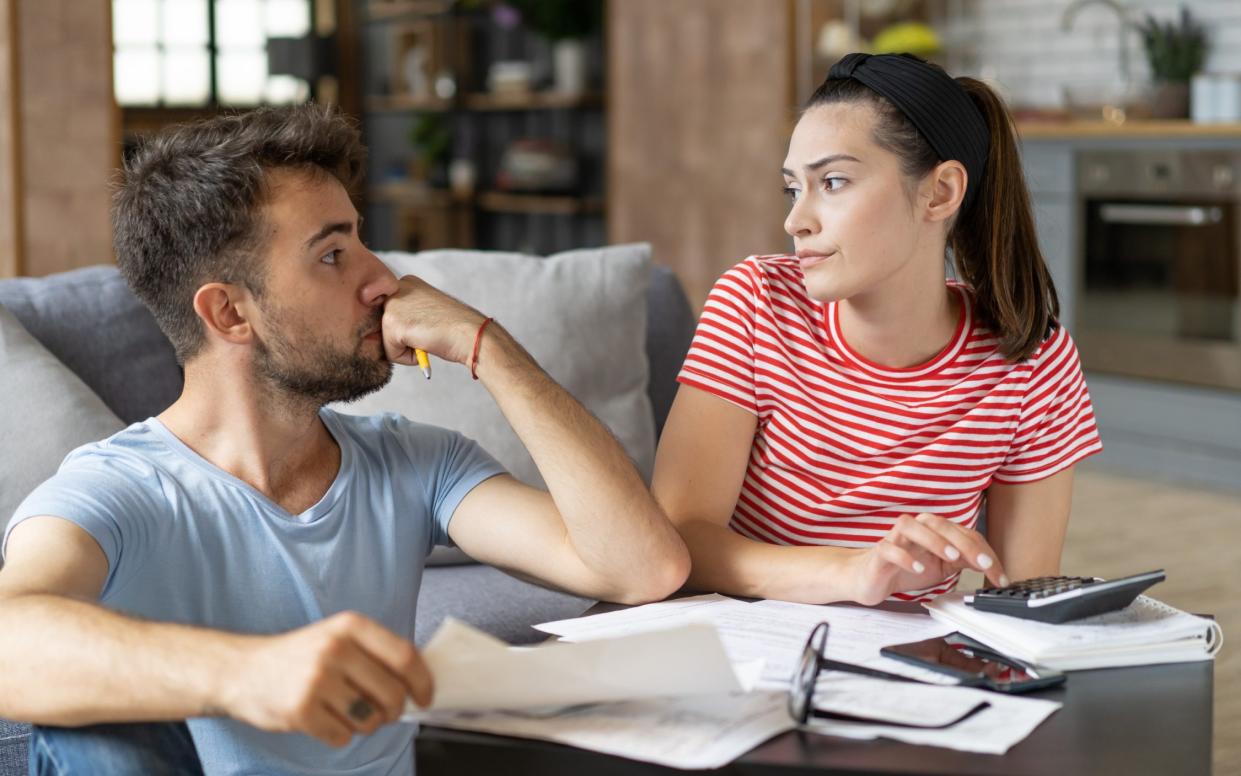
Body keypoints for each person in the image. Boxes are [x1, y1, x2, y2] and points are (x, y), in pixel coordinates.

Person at [0, 104, 690, 775]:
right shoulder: (118, 489)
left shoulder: (415, 462)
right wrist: (246, 671)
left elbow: (641, 568)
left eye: (361, 239)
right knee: (99, 736)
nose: (383, 281)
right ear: (230, 312)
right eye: (332, 254)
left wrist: (490, 348)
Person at [652, 53, 1102, 608]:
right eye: (794, 188)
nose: (797, 220)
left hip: (910, 670)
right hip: (750, 647)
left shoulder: (1035, 359)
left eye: (833, 182)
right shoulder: (756, 303)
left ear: (939, 192)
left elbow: (1020, 595)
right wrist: (852, 573)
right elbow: (678, 543)